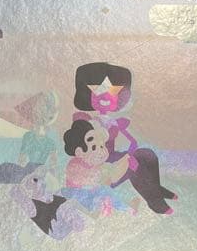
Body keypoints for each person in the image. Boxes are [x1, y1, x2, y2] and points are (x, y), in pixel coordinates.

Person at [71, 62, 177, 215]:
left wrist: (129, 141)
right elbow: (89, 150)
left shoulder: (113, 121)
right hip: (101, 166)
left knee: (147, 154)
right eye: (99, 91)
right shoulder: (91, 123)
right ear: (90, 96)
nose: (105, 96)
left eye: (111, 92)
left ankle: (156, 188)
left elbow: (130, 139)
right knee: (133, 164)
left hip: (113, 157)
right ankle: (154, 201)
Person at [62, 119, 132, 216]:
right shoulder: (74, 164)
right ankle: (103, 208)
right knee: (102, 192)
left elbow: (106, 173)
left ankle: (124, 207)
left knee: (106, 191)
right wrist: (101, 178)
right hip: (77, 194)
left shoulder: (94, 164)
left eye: (102, 146)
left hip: (91, 192)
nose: (101, 151)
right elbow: (84, 180)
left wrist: (122, 162)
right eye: (94, 148)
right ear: (79, 151)